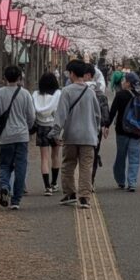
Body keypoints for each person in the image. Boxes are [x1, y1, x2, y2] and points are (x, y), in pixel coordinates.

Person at [53, 60, 101, 209]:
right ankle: (85, 197)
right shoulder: (90, 92)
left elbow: (61, 114)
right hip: (89, 136)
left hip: (71, 135)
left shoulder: (66, 91)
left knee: (68, 164)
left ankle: (70, 194)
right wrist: (96, 130)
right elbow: (97, 115)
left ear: (72, 73)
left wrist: (55, 132)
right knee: (86, 167)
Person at [0, 65, 35, 210]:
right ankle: (16, 200)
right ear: (20, 78)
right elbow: (31, 116)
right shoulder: (25, 94)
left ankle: (4, 186)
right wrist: (27, 127)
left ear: (4, 78)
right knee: (21, 167)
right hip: (22, 136)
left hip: (6, 136)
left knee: (4, 165)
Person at [109, 72, 140, 191]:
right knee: (134, 158)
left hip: (122, 130)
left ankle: (120, 181)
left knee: (121, 156)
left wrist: (106, 125)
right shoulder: (139, 95)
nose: (122, 82)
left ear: (128, 83)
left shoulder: (120, 95)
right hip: (137, 131)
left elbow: (113, 111)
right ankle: (132, 183)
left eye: (124, 80)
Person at [32, 72, 62, 196]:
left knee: (44, 158)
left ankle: (47, 187)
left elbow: (33, 110)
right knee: (55, 156)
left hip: (41, 127)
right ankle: (54, 183)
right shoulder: (58, 94)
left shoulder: (35, 94)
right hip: (54, 127)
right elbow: (59, 111)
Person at [84, 63, 111, 187]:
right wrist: (106, 126)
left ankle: (82, 183)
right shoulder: (100, 93)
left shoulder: (73, 90)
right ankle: (91, 182)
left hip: (79, 129)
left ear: (88, 75)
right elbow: (105, 113)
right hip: (96, 129)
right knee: (94, 154)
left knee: (80, 156)